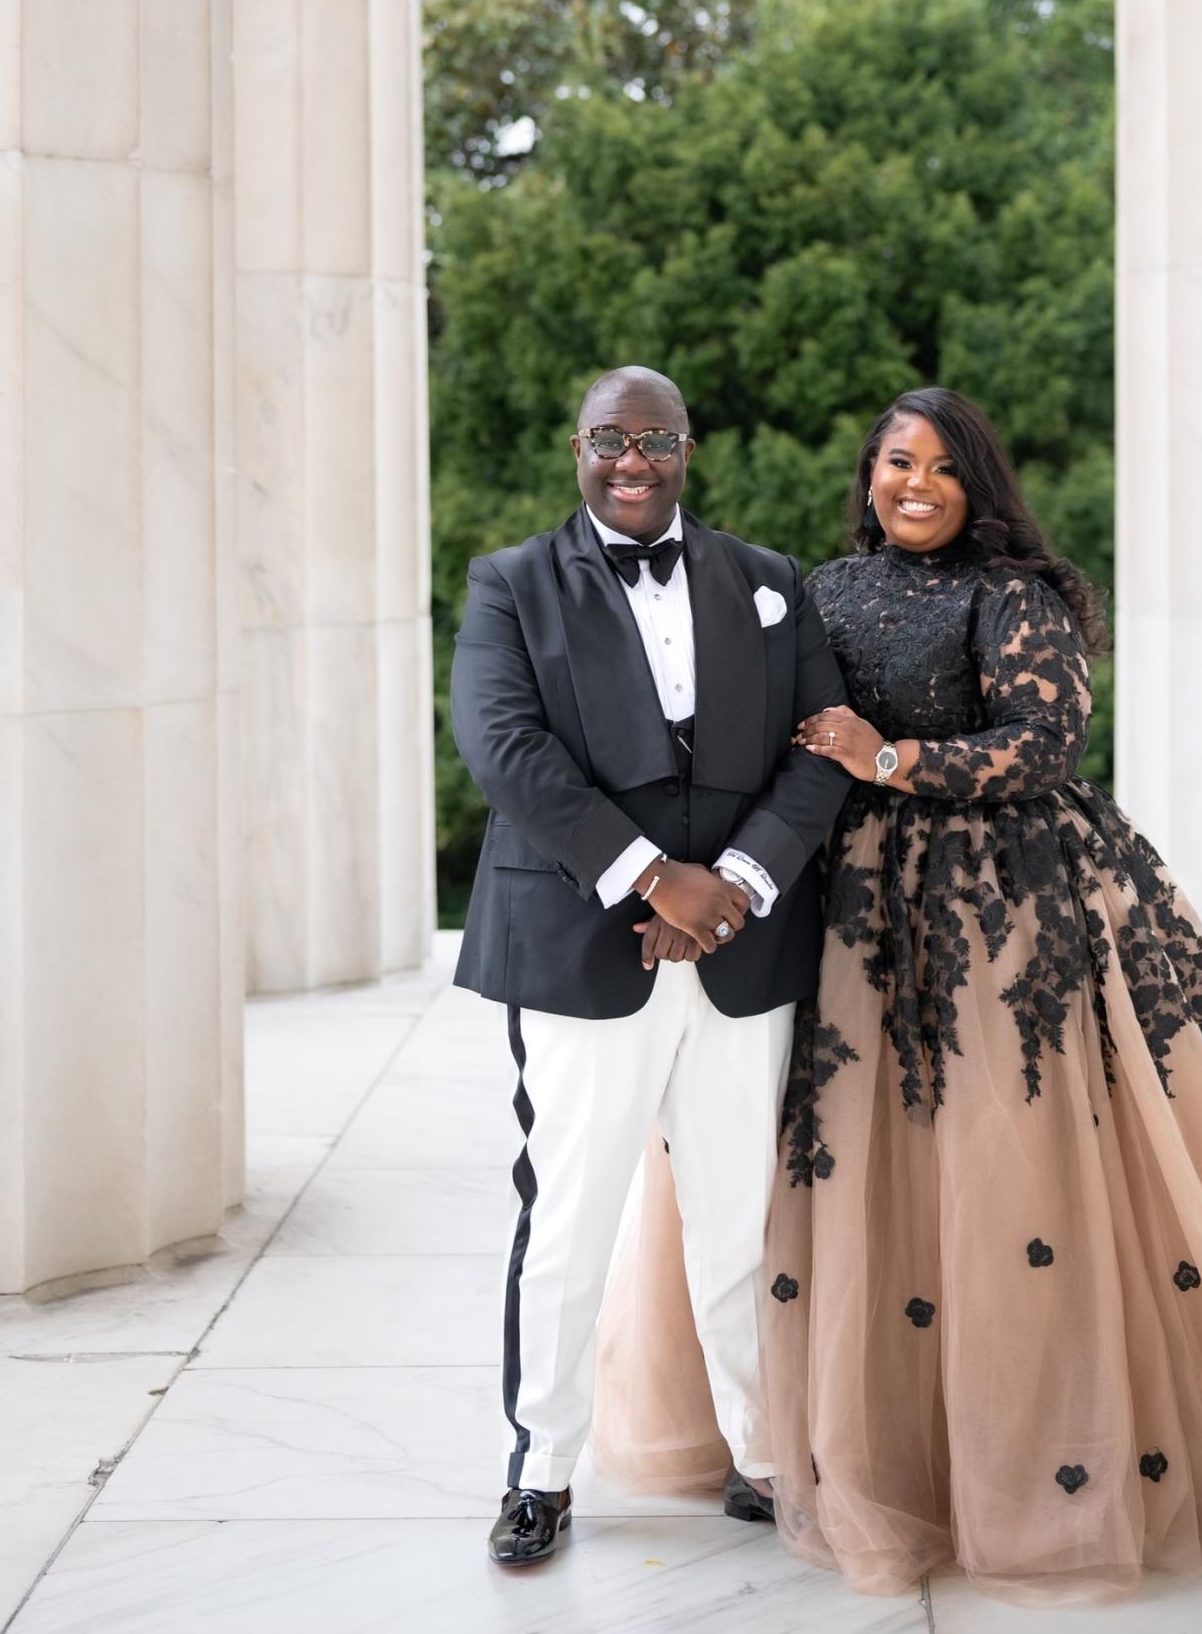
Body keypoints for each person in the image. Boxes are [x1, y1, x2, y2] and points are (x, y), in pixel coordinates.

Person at [592, 387, 1202, 1606]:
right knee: (837, 1178)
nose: (914, 484)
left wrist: (892, 759)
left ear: (978, 483)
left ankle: (1020, 1464)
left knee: (996, 1180)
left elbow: (1047, 742)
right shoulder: (816, 590)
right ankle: (829, 1442)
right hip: (838, 910)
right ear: (865, 474)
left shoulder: (1016, 595)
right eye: (894, 462)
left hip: (1001, 910)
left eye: (941, 468)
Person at [448, 365, 850, 1568]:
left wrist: (732, 891)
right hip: (581, 944)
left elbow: (818, 752)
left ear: (688, 448)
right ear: (577, 446)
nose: (633, 462)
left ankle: (763, 1454)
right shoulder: (510, 584)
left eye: (656, 440)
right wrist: (649, 877)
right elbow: (504, 748)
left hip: (742, 945)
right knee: (569, 1219)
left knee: (740, 1217)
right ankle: (542, 1472)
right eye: (611, 441)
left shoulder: (772, 583)